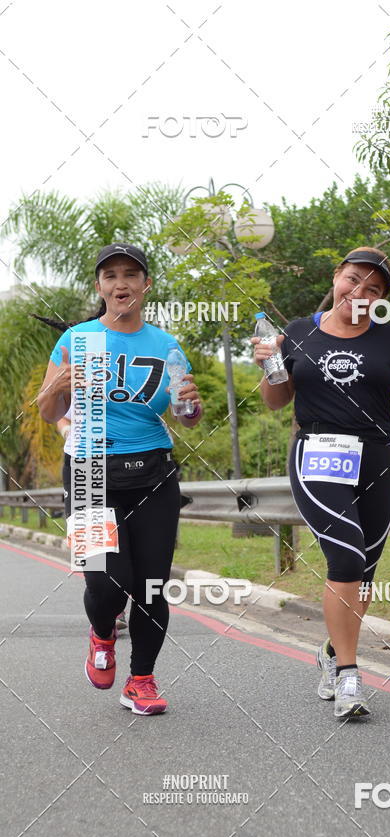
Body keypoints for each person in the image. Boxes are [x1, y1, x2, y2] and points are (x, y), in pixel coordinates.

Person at [251, 247, 390, 719]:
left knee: (363, 568)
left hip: (376, 459)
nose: (359, 293)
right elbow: (275, 401)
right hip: (318, 455)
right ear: (336, 278)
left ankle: (331, 651)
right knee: (344, 554)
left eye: (373, 289)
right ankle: (348, 673)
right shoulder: (299, 333)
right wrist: (268, 362)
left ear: (381, 298)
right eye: (352, 280)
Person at [37, 243, 202, 715]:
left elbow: (187, 416)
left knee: (151, 584)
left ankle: (142, 681)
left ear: (146, 285)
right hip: (89, 471)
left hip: (152, 471)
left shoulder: (166, 346)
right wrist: (58, 386)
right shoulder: (78, 339)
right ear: (100, 286)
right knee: (108, 584)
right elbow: (49, 411)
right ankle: (103, 633)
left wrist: (190, 402)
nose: (121, 283)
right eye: (111, 275)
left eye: (131, 274)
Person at [55, 406, 128, 632]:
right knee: (100, 559)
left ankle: (114, 604)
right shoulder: (80, 373)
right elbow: (60, 413)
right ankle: (108, 616)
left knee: (128, 556)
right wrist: (67, 430)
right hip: (86, 468)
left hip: (132, 467)